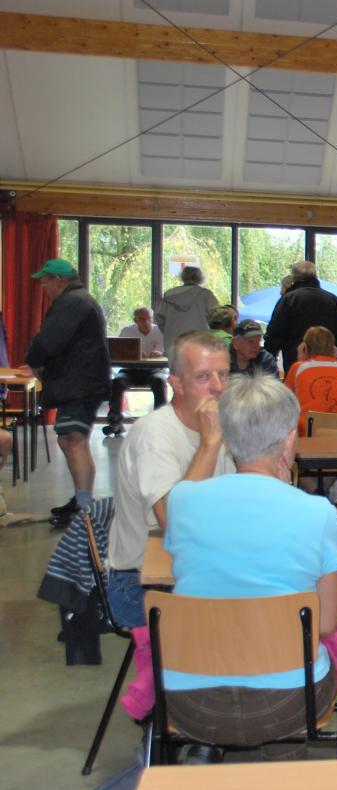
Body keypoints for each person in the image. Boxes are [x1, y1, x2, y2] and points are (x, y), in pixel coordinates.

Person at [163, 373, 337, 758]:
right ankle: (284, 763)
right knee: (311, 660)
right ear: (290, 440)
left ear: (226, 439)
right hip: (287, 702)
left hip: (191, 702)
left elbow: (187, 495)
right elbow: (326, 623)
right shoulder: (318, 513)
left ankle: (205, 753)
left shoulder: (181, 501)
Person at [106, 331, 236, 628]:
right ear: (176, 384)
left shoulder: (216, 425)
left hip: (198, 566)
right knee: (255, 614)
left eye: (223, 375)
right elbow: (175, 524)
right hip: (141, 585)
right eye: (203, 377)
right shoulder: (155, 435)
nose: (218, 387)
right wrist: (210, 445)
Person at [20, 259, 111, 521]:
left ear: (58, 280)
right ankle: (81, 499)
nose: (43, 286)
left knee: (74, 440)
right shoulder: (78, 300)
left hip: (79, 384)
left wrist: (34, 360)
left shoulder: (72, 302)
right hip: (80, 382)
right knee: (66, 439)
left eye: (46, 281)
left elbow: (47, 342)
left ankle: (84, 508)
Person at [264, 260, 337, 374]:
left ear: (294, 278)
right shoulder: (333, 300)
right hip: (330, 367)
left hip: (297, 366)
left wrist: (268, 361)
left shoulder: (288, 300)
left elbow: (274, 334)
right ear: (316, 276)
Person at [107, 307, 168, 435]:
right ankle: (115, 421)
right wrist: (133, 354)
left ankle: (160, 421)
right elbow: (117, 352)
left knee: (160, 381)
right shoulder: (127, 331)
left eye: (149, 319)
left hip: (153, 370)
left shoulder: (160, 331)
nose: (146, 322)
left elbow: (169, 351)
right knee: (117, 382)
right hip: (130, 370)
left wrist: (161, 353)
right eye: (142, 319)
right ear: (135, 320)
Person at [284, 326, 337, 435]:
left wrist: (300, 358)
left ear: (305, 348)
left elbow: (284, 402)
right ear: (333, 348)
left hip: (307, 437)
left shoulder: (298, 368)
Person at [155, 265, 219, 353]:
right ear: (200, 278)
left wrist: (169, 332)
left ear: (182, 277)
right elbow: (217, 316)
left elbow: (160, 319)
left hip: (173, 342)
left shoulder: (169, 295)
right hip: (199, 341)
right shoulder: (206, 295)